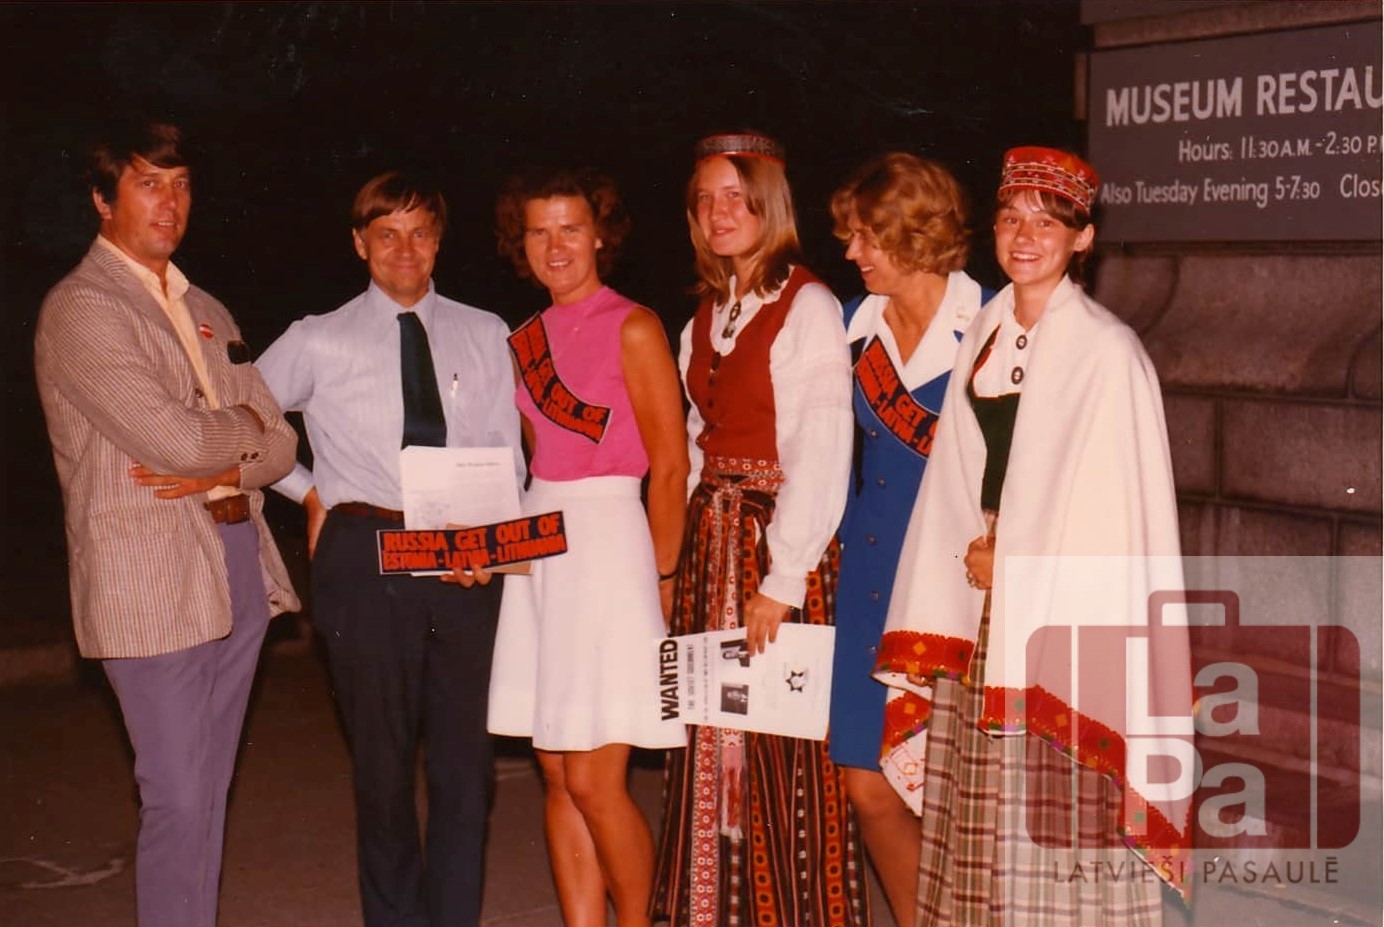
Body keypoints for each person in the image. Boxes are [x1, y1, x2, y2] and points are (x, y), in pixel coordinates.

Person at [876, 147, 1192, 925]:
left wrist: (1013, 558)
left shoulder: (1106, 351)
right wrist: (976, 550)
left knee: (1048, 805)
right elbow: (959, 474)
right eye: (1012, 217)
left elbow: (1115, 520)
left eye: (1047, 223)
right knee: (981, 809)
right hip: (981, 601)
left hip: (1059, 618)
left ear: (1082, 239)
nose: (1025, 236)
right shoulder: (984, 332)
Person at [33, 118, 300, 927]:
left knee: (208, 789)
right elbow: (175, 440)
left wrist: (229, 458)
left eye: (181, 185)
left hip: (238, 554)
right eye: (148, 183)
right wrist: (240, 431)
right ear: (101, 199)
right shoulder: (82, 308)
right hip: (149, 574)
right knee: (179, 794)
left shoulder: (207, 307)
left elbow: (285, 445)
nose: (170, 202)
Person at [255, 172, 522, 927]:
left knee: (466, 770)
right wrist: (309, 491)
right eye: (387, 234)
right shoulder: (319, 336)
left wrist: (494, 542)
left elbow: (507, 451)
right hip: (366, 551)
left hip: (466, 560)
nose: (405, 249)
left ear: (439, 241)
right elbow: (245, 415)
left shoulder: (486, 330)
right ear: (359, 243)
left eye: (420, 232)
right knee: (381, 768)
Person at [651, 132, 869, 927]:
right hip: (713, 545)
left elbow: (822, 444)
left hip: (774, 550)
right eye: (705, 199)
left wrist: (782, 578)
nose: (719, 212)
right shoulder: (708, 313)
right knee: (712, 732)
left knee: (779, 748)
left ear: (768, 204)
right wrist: (677, 555)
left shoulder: (806, 305)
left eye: (736, 196)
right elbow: (690, 440)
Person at [487, 167, 688, 927]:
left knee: (597, 780)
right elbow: (528, 463)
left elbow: (671, 465)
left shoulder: (634, 325)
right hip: (542, 545)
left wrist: (663, 575)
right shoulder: (522, 341)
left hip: (610, 546)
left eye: (570, 228)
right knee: (558, 774)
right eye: (539, 232)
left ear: (600, 234)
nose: (555, 246)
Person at [826, 153, 991, 927]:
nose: (851, 251)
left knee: (953, 792)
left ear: (915, 236)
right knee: (869, 785)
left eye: (867, 237)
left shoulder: (990, 325)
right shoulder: (852, 326)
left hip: (953, 588)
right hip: (869, 578)